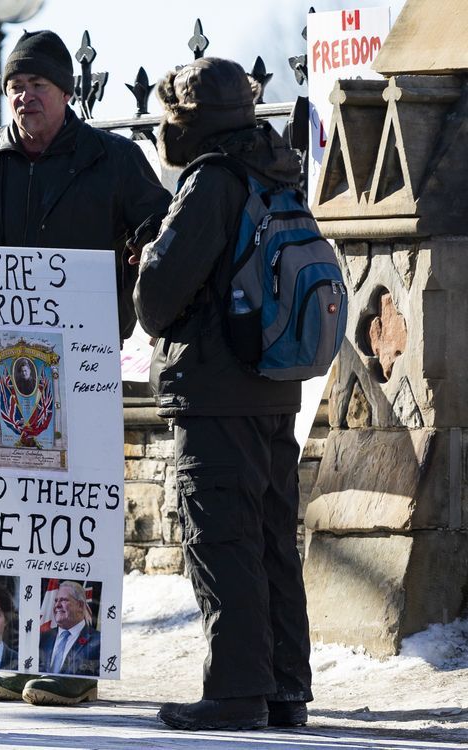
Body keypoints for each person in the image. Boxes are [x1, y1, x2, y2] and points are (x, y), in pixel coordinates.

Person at [0, 30, 171, 706]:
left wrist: (140, 256)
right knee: (5, 516)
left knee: (69, 517)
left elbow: (163, 237)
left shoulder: (113, 160)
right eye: (14, 87)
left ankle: (74, 664)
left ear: (66, 92)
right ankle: (14, 652)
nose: (24, 97)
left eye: (38, 85)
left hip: (81, 370)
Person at [132, 58, 313, 731]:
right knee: (269, 539)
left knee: (221, 538)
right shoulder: (275, 168)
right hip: (273, 385)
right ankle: (284, 689)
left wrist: (149, 257)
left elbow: (157, 299)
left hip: (215, 386)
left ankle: (236, 692)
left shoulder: (211, 180)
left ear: (190, 121)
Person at [35, 581, 100, 680]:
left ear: (80, 605)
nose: (57, 605)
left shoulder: (99, 641)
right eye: (56, 600)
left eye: (64, 600)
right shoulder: (42, 638)